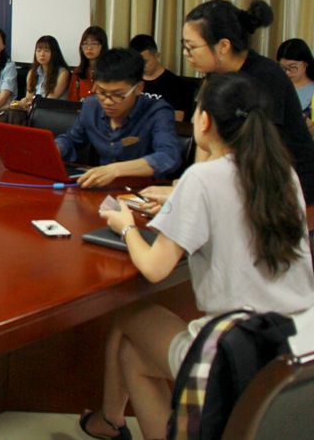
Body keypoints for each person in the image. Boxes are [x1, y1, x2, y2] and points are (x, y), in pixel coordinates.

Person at [81, 72, 314, 440]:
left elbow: (155, 268)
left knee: (126, 316)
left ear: (204, 120)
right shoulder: (282, 173)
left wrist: (125, 226)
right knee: (132, 355)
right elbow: (238, 211)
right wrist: (179, 207)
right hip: (299, 343)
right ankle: (108, 421)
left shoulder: (202, 178)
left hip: (239, 350)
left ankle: (110, 422)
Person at [176, 0, 314, 202]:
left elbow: (259, 149)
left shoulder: (265, 77)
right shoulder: (215, 76)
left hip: (286, 190)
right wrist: (192, 188)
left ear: (223, 46)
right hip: (243, 183)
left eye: (191, 47)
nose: (186, 54)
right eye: (184, 45)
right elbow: (206, 141)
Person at [56, 48, 180, 189]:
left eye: (117, 95)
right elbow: (72, 139)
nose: (108, 102)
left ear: (139, 88)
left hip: (143, 191)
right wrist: (56, 148)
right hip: (103, 190)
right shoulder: (92, 106)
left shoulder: (157, 112)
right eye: (102, 92)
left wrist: (116, 170)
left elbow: (168, 156)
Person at [129, 34, 194, 120]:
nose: (141, 66)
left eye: (145, 62)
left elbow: (176, 120)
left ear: (157, 56)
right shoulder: (130, 81)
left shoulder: (176, 85)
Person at [277, 38, 314, 136]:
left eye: (292, 67)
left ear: (306, 63)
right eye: (283, 68)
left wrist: (300, 116)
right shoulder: (276, 85)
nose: (287, 72)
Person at [23, 35, 71, 105]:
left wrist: (31, 103)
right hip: (35, 108)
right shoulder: (32, 72)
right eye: (38, 51)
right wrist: (23, 102)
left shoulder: (63, 73)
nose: (42, 54)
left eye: (46, 51)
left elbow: (50, 99)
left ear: (54, 53)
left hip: (52, 108)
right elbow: (29, 97)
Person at [69, 26, 108, 101]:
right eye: (85, 43)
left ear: (102, 46)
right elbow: (72, 99)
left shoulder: (109, 71)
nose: (89, 48)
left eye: (94, 44)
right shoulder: (78, 71)